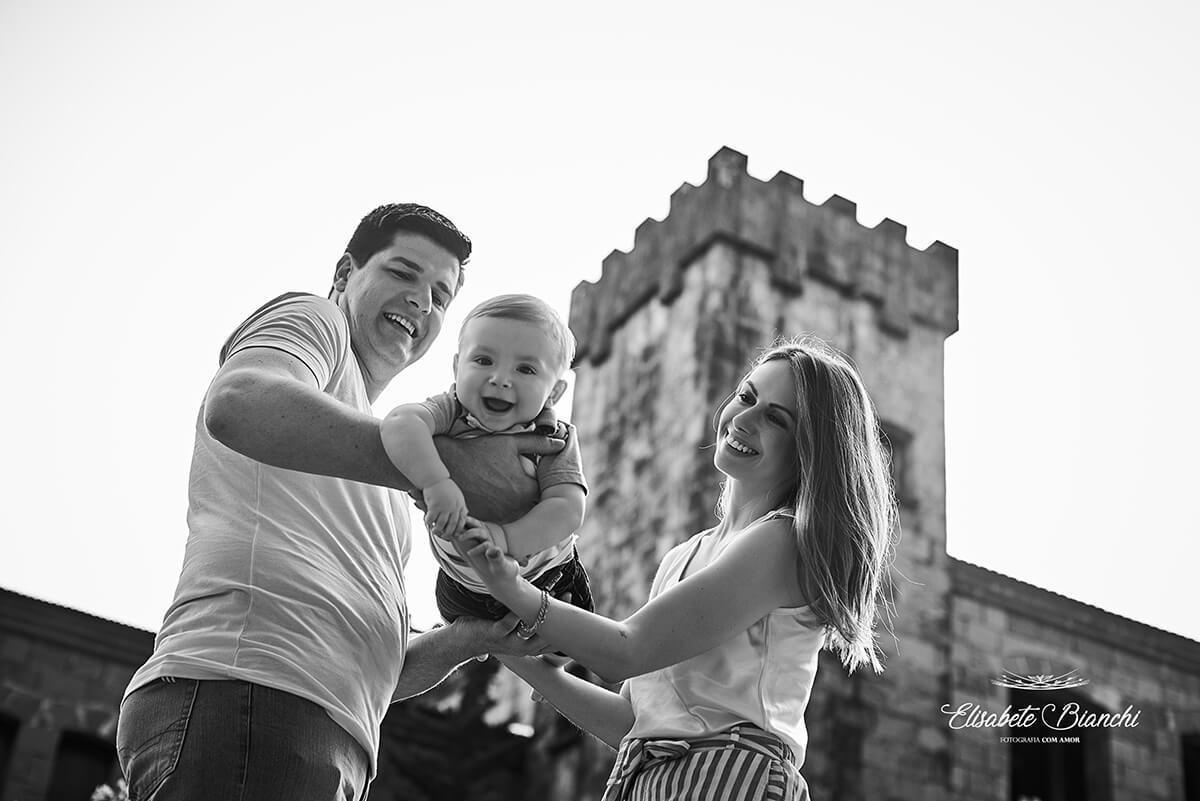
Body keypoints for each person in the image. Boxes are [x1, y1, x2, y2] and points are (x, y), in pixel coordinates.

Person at [116, 204, 558, 801]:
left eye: (439, 295)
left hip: (325, 729)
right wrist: (439, 472)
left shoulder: (378, 463)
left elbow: (375, 667)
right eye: (403, 273)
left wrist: (476, 636)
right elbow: (239, 401)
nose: (420, 302)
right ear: (346, 274)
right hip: (248, 693)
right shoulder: (316, 318)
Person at [455, 338, 898, 801]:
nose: (744, 419)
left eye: (775, 418)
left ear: (809, 450)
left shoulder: (782, 541)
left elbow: (626, 650)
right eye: (747, 397)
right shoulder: (685, 554)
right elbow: (632, 720)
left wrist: (506, 586)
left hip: (733, 775)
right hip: (649, 779)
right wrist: (498, 642)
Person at [380, 294, 593, 625]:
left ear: (554, 393)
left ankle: (547, 657)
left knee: (563, 649)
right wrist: (436, 482)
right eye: (483, 361)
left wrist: (505, 539)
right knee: (460, 626)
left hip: (546, 579)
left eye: (525, 369)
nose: (500, 378)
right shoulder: (450, 411)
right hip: (461, 582)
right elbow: (400, 423)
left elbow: (567, 508)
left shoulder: (553, 436)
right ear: (456, 367)